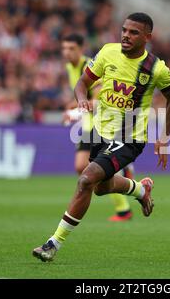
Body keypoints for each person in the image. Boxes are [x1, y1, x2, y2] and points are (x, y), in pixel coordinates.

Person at [33, 12, 170, 262]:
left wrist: (165, 138)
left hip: (129, 138)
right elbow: (83, 82)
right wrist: (81, 102)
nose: (126, 35)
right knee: (102, 188)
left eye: (134, 32)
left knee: (85, 180)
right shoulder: (107, 52)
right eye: (124, 30)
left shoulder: (156, 69)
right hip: (100, 132)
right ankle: (140, 190)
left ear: (147, 37)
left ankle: (53, 243)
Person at [61, 33, 134, 222]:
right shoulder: (70, 67)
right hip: (88, 126)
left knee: (91, 174)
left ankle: (124, 206)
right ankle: (124, 200)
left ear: (81, 49)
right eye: (64, 48)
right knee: (83, 169)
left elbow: (98, 100)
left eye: (71, 48)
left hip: (100, 127)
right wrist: (72, 104)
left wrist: (73, 112)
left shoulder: (89, 66)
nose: (67, 53)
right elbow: (83, 96)